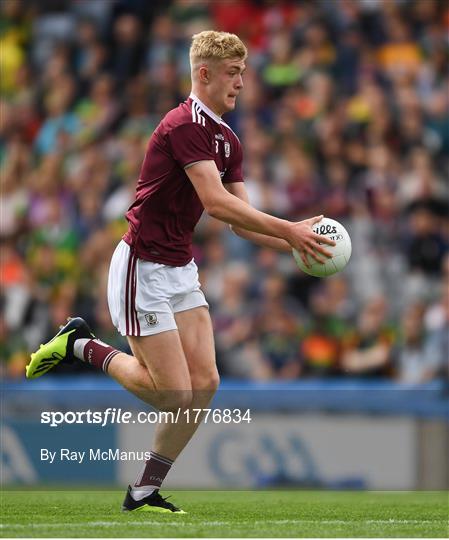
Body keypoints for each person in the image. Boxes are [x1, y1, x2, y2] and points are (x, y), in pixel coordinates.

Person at [26, 30, 334, 513]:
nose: (240, 84)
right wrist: (291, 229)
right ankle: (81, 345)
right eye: (232, 74)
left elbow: (243, 225)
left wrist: (297, 245)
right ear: (204, 74)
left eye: (243, 74)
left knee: (205, 385)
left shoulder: (228, 140)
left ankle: (144, 489)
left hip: (179, 269)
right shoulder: (182, 124)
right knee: (174, 395)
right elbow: (216, 204)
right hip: (141, 267)